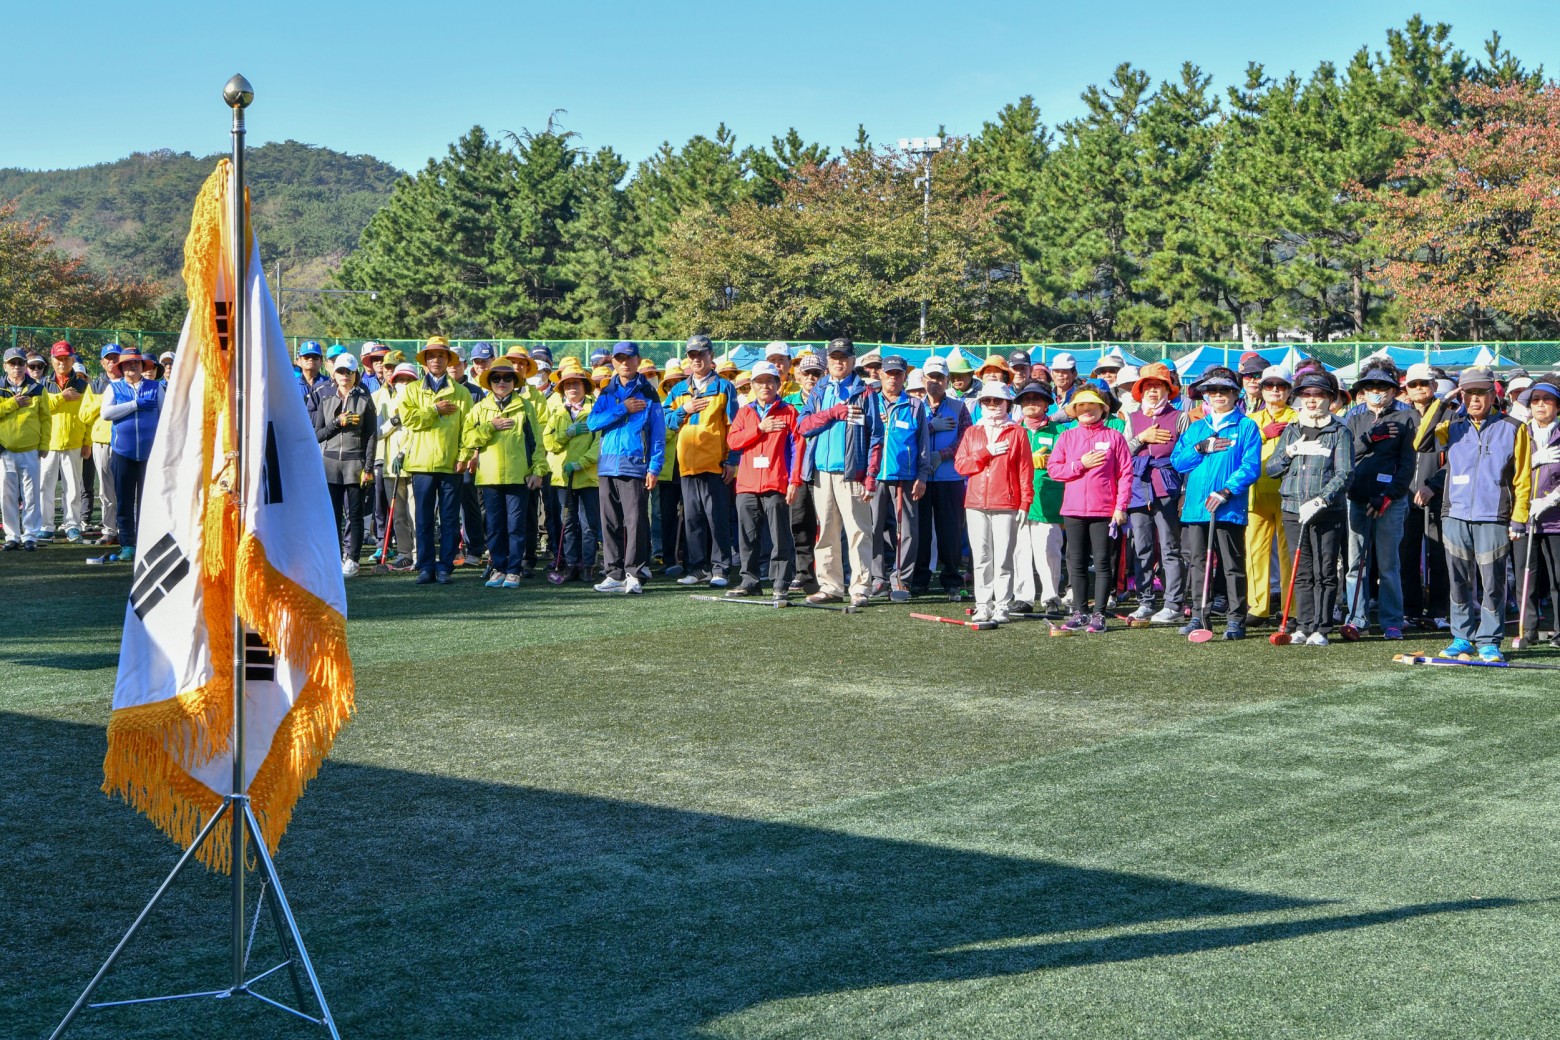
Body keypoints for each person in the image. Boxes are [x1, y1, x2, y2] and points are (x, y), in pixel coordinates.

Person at [1414, 366, 1532, 662]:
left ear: (1493, 395)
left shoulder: (1514, 427)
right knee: (1458, 580)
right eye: (1469, 393)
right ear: (1461, 395)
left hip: (1494, 517)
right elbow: (1421, 442)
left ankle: (1489, 641)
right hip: (1455, 514)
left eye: (1481, 393)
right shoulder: (1451, 425)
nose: (1475, 399)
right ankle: (1462, 638)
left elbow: (1522, 479)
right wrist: (1442, 402)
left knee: (1493, 582)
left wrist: (1519, 517)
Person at [1171, 366, 1263, 640]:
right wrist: (1200, 448)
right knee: (1198, 563)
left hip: (1228, 507)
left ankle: (1236, 619)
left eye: (1225, 390)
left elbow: (1250, 466)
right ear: (1206, 396)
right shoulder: (1197, 428)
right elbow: (1178, 462)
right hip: (1197, 507)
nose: (1219, 395)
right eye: (1213, 391)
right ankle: (1200, 616)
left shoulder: (1246, 426)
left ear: (1236, 395)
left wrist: (1226, 491)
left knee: (1232, 564)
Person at [1265, 371, 1355, 645]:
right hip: (1293, 509)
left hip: (1327, 511)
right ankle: (1303, 626)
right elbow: (1271, 469)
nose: (1312, 400)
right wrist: (1289, 452)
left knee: (1325, 571)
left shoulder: (1339, 431)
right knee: (1302, 571)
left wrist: (1320, 500)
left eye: (1318, 395)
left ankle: (1322, 628)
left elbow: (1345, 473)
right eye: (1306, 395)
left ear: (1330, 399)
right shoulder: (1292, 429)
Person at [798, 337, 883, 608]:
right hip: (821, 473)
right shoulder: (819, 389)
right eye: (834, 357)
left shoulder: (865, 393)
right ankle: (830, 586)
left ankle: (860, 588)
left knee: (859, 532)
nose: (838, 361)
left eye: (843, 357)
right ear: (828, 360)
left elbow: (876, 436)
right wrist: (832, 413)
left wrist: (870, 476)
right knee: (826, 533)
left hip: (853, 474)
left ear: (852, 360)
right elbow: (803, 426)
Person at [1046, 386, 1133, 633]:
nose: (1087, 410)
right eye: (1081, 406)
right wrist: (1079, 464)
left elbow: (1125, 474)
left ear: (1102, 409)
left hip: (1104, 510)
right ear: (1074, 411)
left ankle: (1099, 614)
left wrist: (1121, 507)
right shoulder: (1066, 437)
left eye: (1092, 406)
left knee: (1103, 562)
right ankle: (1080, 612)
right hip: (1073, 510)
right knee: (1076, 562)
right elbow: (1054, 469)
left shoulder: (1115, 437)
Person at [1343, 362, 1418, 640]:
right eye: (1371, 386)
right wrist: (1369, 438)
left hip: (1390, 501)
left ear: (1393, 390)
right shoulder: (1353, 418)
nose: (1377, 391)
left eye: (1383, 387)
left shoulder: (1406, 417)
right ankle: (1356, 619)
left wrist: (1390, 495)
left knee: (1388, 564)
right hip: (1356, 497)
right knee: (1355, 565)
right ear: (1362, 391)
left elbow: (1408, 464)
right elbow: (1346, 455)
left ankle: (1392, 621)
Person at [587, 341, 665, 594]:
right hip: (608, 466)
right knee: (609, 522)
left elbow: (657, 434)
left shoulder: (649, 392)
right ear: (613, 362)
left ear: (638, 360)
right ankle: (614, 573)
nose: (624, 362)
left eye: (629, 358)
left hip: (635, 465)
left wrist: (654, 467)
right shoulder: (607, 392)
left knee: (636, 522)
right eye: (619, 358)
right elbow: (592, 423)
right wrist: (623, 408)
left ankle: (635, 573)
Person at [664, 334, 740, 588]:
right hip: (687, 465)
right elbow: (666, 421)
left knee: (717, 519)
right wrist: (683, 410)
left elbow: (733, 427)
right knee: (692, 519)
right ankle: (698, 568)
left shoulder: (724, 387)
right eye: (692, 355)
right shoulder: (678, 390)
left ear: (711, 356)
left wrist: (732, 460)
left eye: (701, 354)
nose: (697, 359)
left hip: (715, 464)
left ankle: (720, 568)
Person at [954, 381, 1033, 624]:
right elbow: (961, 465)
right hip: (976, 502)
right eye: (987, 400)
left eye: (997, 400)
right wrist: (985, 451)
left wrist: (1025, 502)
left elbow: (1025, 469)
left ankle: (1002, 606)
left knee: (1003, 559)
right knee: (981, 558)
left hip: (1006, 502)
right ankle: (983, 605)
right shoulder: (973, 432)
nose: (992, 405)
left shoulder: (1017, 432)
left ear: (1007, 403)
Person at [396, 336, 473, 585]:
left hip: (451, 464)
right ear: (425, 361)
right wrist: (435, 410)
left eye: (441, 356)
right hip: (421, 463)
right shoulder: (412, 390)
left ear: (448, 360)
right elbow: (409, 420)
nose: (436, 360)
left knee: (449, 519)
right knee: (423, 519)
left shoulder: (462, 393)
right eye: (431, 356)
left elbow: (468, 429)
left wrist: (464, 456)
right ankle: (426, 566)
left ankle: (445, 567)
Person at [463, 359, 546, 589]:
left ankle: (514, 570)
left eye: (507, 377)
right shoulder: (480, 408)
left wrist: (538, 471)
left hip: (519, 476)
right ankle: (499, 568)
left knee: (516, 526)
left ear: (515, 381)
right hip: (489, 477)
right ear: (489, 382)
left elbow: (537, 442)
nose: (502, 382)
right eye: (496, 378)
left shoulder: (526, 407)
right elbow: (467, 438)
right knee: (494, 526)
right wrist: (491, 427)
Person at [725, 360, 804, 598]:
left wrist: (794, 481)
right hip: (747, 484)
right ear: (752, 385)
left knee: (780, 536)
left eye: (770, 381)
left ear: (778, 384)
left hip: (776, 482)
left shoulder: (789, 412)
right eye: (759, 382)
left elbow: (798, 449)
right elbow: (733, 442)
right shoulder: (744, 412)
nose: (765, 386)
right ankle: (749, 581)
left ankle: (780, 582)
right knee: (747, 536)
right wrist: (759, 428)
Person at [1123, 362, 1188, 625]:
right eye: (1148, 386)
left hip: (1167, 487)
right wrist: (1142, 438)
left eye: (1158, 386)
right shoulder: (1132, 418)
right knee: (1142, 547)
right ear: (1140, 391)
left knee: (1170, 547)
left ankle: (1174, 604)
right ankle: (1145, 602)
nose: (1152, 391)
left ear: (1168, 390)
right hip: (1138, 488)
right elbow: (1122, 453)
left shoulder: (1180, 417)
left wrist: (1183, 492)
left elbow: (1188, 457)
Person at [870, 355, 933, 601]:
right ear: (880, 374)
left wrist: (922, 475)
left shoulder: (915, 405)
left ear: (905, 377)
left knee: (907, 530)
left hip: (906, 476)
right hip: (875, 475)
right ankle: (878, 578)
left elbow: (923, 444)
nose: (893, 378)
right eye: (889, 373)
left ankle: (902, 579)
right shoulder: (870, 401)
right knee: (873, 527)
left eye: (898, 374)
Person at [94, 351, 162, 563]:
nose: (133, 366)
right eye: (128, 363)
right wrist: (135, 404)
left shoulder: (156, 387)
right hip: (123, 453)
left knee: (148, 501)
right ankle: (128, 545)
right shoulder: (113, 387)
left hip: (150, 454)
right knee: (124, 501)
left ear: (143, 366)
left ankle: (147, 543)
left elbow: (165, 416)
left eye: (136, 363)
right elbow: (106, 414)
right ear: (121, 368)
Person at [913, 354, 972, 598]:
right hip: (920, 479)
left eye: (940, 377)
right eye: (931, 377)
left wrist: (942, 454)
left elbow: (966, 439)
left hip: (950, 478)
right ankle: (919, 579)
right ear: (923, 379)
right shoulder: (913, 406)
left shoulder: (959, 407)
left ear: (947, 381)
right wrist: (930, 427)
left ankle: (951, 578)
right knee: (921, 531)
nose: (935, 382)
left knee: (950, 532)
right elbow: (908, 436)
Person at [315, 354, 378, 577]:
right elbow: (317, 434)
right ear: (334, 373)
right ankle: (334, 557)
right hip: (329, 464)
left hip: (355, 464)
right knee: (331, 516)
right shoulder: (324, 397)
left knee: (355, 515)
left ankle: (353, 559)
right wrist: (336, 422)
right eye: (341, 371)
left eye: (349, 372)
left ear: (355, 374)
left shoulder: (364, 399)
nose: (344, 375)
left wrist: (368, 467)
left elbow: (371, 435)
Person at [1245, 366, 1297, 627]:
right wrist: (1264, 434)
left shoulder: (1298, 418)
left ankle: (1292, 609)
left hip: (1289, 494)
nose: (1275, 390)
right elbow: (1238, 447)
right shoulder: (1250, 420)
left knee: (1289, 553)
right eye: (1269, 385)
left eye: (1281, 385)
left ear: (1289, 391)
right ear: (1262, 390)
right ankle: (1258, 607)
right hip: (1255, 494)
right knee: (1255, 551)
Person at [542, 359, 600, 584]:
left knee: (588, 525)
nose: (572, 388)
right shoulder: (557, 411)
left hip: (588, 476)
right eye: (567, 385)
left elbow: (599, 444)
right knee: (568, 524)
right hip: (562, 477)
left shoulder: (596, 409)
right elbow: (549, 443)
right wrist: (567, 433)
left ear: (585, 386)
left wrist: (580, 463)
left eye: (577, 383)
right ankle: (571, 564)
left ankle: (588, 565)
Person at [1401, 362, 1450, 628]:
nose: (1419, 388)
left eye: (1424, 383)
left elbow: (1456, 458)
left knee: (1439, 557)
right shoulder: (1402, 416)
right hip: (1405, 498)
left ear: (1434, 385)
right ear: (1407, 389)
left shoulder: (1450, 415)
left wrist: (1434, 486)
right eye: (1414, 384)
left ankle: (1438, 611)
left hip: (1439, 498)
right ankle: (1410, 609)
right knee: (1406, 556)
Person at [1014, 381, 1067, 614]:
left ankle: (1051, 597)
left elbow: (1069, 462)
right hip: (1017, 498)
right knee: (1019, 549)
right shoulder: (1013, 430)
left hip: (1048, 498)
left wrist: (1051, 461)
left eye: (1036, 398)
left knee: (1049, 549)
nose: (1031, 402)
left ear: (1047, 404)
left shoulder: (1060, 432)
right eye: (1026, 399)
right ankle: (1023, 597)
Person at [1516, 379, 1560, 647]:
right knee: (1526, 575)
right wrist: (1533, 460)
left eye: (1547, 400)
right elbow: (1507, 467)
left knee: (1558, 577)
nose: (1541, 405)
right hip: (1525, 517)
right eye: (1535, 400)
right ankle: (1528, 630)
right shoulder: (1520, 432)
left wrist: (1552, 499)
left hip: (1556, 519)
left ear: (1557, 406)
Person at [1, 347, 53, 550]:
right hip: (5, 450)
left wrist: (44, 444)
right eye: (12, 363)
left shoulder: (38, 389)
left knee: (31, 495)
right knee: (7, 496)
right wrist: (12, 404)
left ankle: (30, 535)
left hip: (30, 449)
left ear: (25, 365)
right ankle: (12, 536)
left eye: (20, 363)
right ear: (5, 366)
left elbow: (46, 419)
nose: (17, 367)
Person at [40, 341, 90, 542]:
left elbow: (88, 416)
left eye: (66, 358)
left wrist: (87, 442)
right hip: (48, 443)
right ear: (52, 360)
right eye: (58, 359)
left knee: (73, 488)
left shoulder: (82, 385)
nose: (62, 362)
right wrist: (62, 397)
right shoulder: (43, 384)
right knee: (45, 486)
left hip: (74, 442)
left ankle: (72, 526)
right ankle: (45, 526)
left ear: (73, 359)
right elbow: (41, 408)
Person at [784, 352, 825, 591]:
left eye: (816, 373)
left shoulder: (829, 399)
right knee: (799, 522)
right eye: (807, 373)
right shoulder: (788, 403)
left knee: (829, 523)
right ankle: (804, 573)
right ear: (798, 375)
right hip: (798, 471)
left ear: (824, 375)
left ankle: (831, 572)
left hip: (824, 468)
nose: (811, 377)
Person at [371, 360, 417, 569]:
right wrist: (394, 421)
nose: (404, 384)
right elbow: (377, 433)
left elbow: (417, 433)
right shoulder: (386, 404)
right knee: (398, 515)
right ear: (394, 382)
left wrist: (404, 453)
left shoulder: (420, 404)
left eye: (409, 380)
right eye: (401, 380)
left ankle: (418, 553)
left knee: (415, 513)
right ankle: (404, 553)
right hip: (391, 466)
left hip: (415, 464)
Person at [82, 344, 124, 545]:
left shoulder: (129, 382)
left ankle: (127, 529)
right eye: (108, 358)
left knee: (126, 489)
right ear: (102, 362)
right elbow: (83, 415)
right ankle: (109, 530)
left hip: (125, 441)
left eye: (116, 357)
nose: (112, 361)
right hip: (102, 442)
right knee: (106, 490)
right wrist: (103, 402)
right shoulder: (95, 386)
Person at [655, 361, 685, 576]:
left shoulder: (694, 403)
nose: (673, 387)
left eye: (678, 382)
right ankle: (668, 558)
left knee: (692, 516)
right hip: (666, 471)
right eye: (670, 384)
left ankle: (689, 557)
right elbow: (657, 434)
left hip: (689, 467)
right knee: (666, 517)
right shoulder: (660, 407)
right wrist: (675, 426)